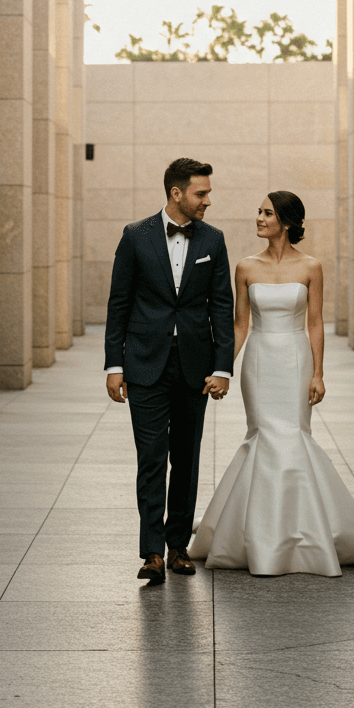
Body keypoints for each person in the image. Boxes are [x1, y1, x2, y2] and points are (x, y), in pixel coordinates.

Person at [189, 190, 354, 576]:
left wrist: (319, 373)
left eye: (267, 213)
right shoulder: (245, 267)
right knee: (262, 436)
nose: (258, 218)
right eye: (258, 211)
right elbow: (239, 325)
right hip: (259, 362)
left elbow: (314, 323)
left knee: (293, 436)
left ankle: (301, 530)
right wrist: (222, 368)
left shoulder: (311, 267)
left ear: (287, 222)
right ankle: (263, 531)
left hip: (295, 360)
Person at [104, 157, 234, 584]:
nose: (207, 201)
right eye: (201, 193)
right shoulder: (135, 236)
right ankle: (151, 553)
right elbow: (119, 303)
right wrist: (114, 364)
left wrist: (222, 369)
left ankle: (178, 547)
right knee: (152, 458)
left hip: (195, 368)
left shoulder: (213, 240)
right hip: (145, 364)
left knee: (187, 456)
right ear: (176, 193)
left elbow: (222, 306)